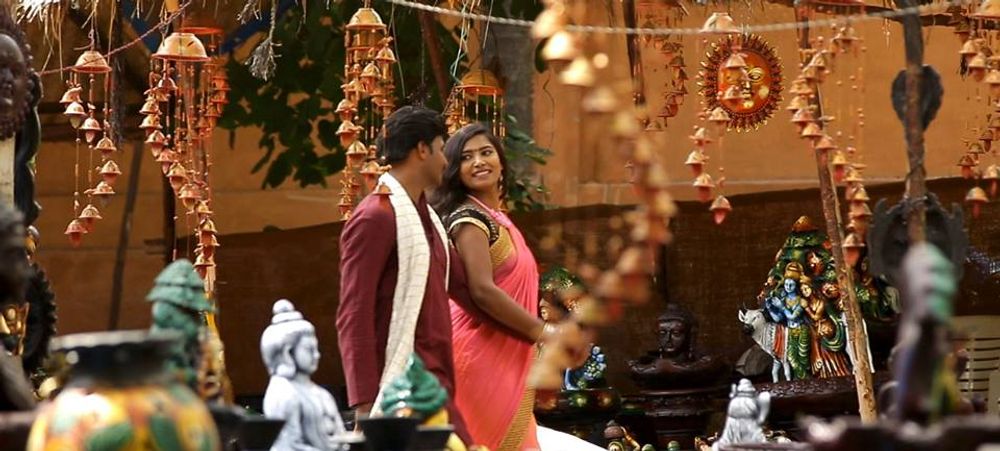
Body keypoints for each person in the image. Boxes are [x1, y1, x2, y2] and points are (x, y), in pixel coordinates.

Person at [432, 123, 600, 450]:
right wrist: (546, 332)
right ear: (454, 170)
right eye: (466, 157)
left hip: (506, 352)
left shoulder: (496, 218)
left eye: (486, 152)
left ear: (501, 162)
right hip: (478, 353)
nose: (478, 162)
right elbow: (482, 291)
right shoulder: (469, 219)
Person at [337, 106, 482, 443]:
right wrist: (365, 406)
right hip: (399, 392)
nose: (446, 161)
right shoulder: (376, 216)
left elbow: (472, 292)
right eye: (441, 148)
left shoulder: (427, 219)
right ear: (422, 149)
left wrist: (536, 333)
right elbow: (354, 314)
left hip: (435, 386)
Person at [262, 299, 347, 451]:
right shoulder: (282, 393)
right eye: (309, 349)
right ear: (287, 352)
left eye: (316, 348)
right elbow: (288, 445)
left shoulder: (322, 394)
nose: (317, 355)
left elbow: (341, 436)